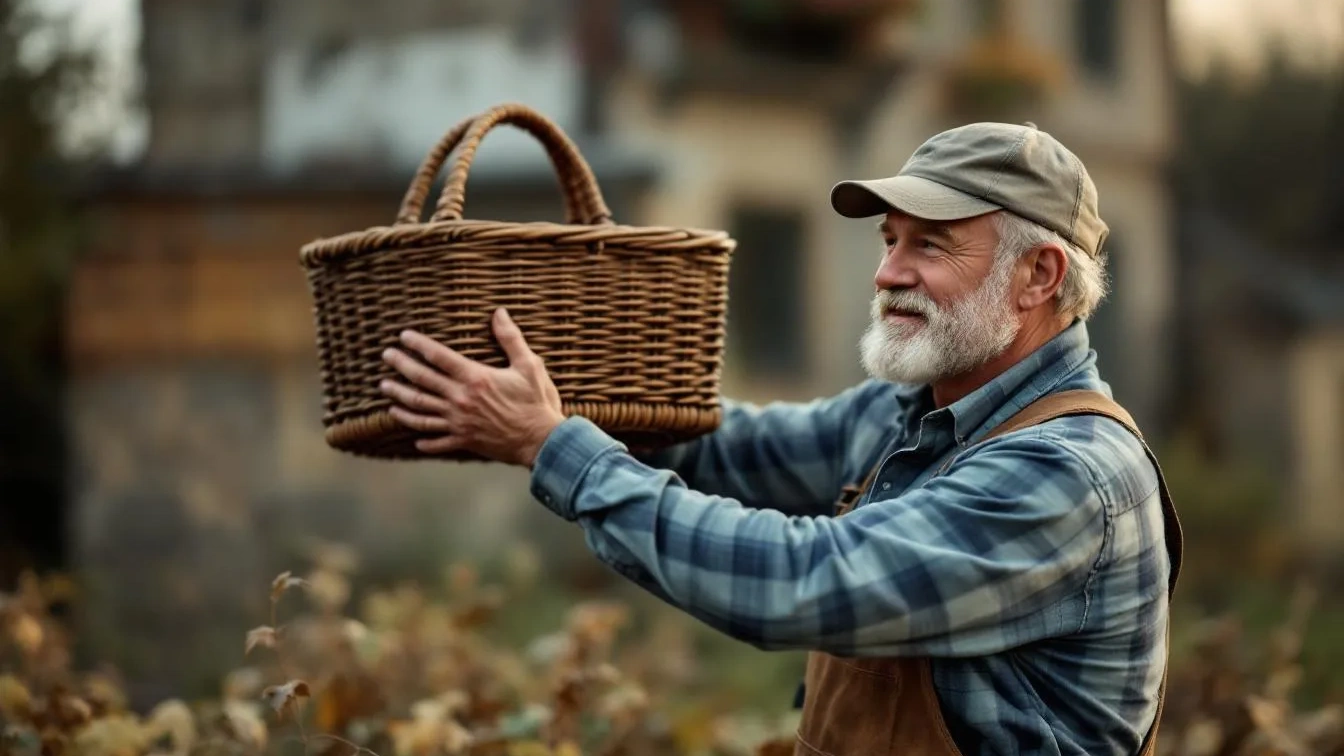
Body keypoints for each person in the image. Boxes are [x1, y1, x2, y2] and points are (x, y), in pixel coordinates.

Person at [376, 122, 1183, 756]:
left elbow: (804, 581)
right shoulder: (911, 415)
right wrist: (563, 392)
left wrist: (557, 449)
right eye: (889, 239)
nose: (888, 272)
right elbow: (727, 446)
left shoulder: (1069, 475)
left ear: (1039, 277)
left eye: (929, 244)